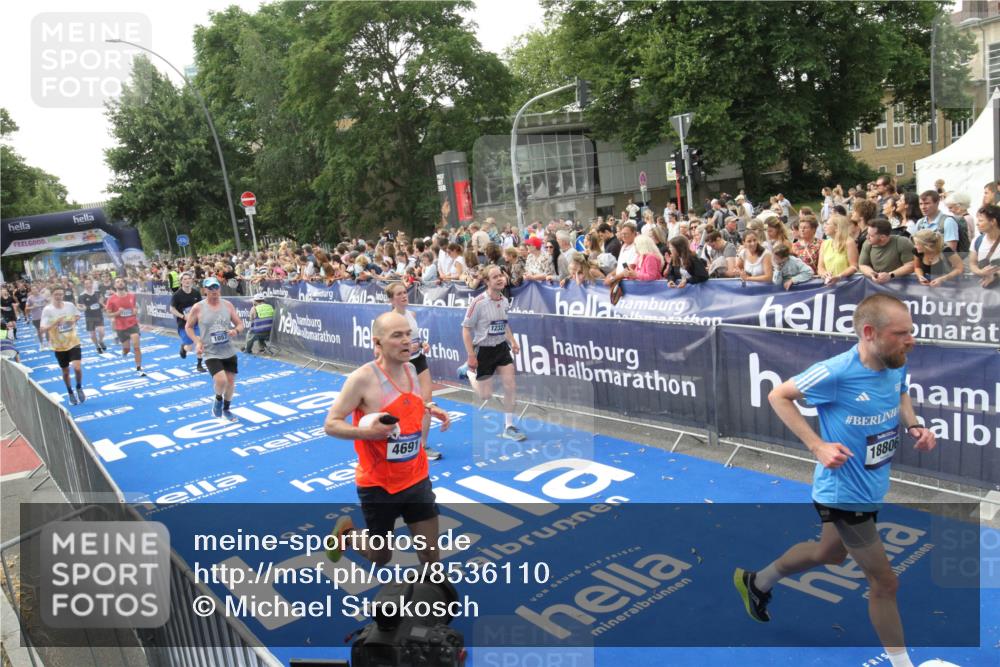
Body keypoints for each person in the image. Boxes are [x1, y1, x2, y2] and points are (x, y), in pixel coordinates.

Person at [735, 294, 936, 667]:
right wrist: (817, 446)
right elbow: (778, 395)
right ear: (869, 332)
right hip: (844, 494)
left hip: (871, 488)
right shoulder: (836, 371)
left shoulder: (895, 361)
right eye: (901, 333)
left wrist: (914, 425)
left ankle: (757, 582)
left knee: (829, 553)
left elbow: (901, 392)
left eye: (911, 331)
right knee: (885, 583)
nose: (911, 340)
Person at [322, 310, 452, 566]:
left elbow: (409, 404)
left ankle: (434, 592)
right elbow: (331, 424)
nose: (406, 341)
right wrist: (368, 433)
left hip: (416, 477)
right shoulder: (362, 379)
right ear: (377, 342)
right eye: (397, 335)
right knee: (380, 556)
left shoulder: (411, 369)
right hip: (378, 485)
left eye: (408, 334)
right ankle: (348, 535)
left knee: (430, 555)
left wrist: (429, 407)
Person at [458, 266, 527, 441]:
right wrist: (471, 356)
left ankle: (509, 426)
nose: (500, 279)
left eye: (501, 275)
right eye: (494, 277)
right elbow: (466, 329)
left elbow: (504, 324)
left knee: (510, 386)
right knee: (485, 395)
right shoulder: (478, 302)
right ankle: (468, 372)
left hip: (501, 348)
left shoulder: (504, 301)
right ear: (487, 282)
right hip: (483, 350)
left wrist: (512, 341)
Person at [386, 282, 442, 461]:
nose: (404, 296)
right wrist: (407, 348)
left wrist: (423, 344)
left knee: (428, 402)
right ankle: (399, 442)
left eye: (405, 292)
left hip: (419, 360)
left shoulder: (412, 314)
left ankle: (423, 446)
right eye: (399, 294)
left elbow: (416, 339)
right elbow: (387, 348)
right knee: (404, 406)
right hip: (402, 365)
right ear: (391, 300)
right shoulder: (389, 321)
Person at [185, 277, 244, 421]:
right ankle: (218, 399)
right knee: (221, 380)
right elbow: (188, 327)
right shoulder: (198, 307)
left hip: (228, 350)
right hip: (210, 351)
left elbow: (240, 324)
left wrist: (235, 331)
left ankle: (226, 409)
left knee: (230, 382)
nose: (214, 291)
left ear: (220, 288)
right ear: (204, 290)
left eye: (216, 287)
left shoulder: (227, 305)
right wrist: (197, 342)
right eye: (210, 288)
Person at [39, 287, 85, 405]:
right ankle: (70, 392)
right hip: (59, 346)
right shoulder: (47, 310)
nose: (59, 296)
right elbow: (42, 329)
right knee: (65, 372)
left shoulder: (69, 305)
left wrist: (72, 320)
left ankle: (79, 387)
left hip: (73, 341)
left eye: (61, 294)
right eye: (56, 294)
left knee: (77, 368)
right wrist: (55, 322)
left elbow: (77, 316)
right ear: (52, 296)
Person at [104, 278, 144, 375]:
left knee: (136, 346)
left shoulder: (132, 296)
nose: (120, 283)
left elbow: (135, 308)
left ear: (124, 284)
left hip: (133, 324)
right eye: (117, 282)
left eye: (121, 281)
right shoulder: (111, 299)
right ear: (114, 286)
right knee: (127, 349)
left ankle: (139, 367)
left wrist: (135, 311)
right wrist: (117, 313)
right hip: (121, 327)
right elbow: (108, 314)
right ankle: (125, 352)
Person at [169, 273, 207, 372]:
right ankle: (184, 348)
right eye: (185, 279)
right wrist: (183, 316)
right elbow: (172, 309)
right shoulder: (177, 295)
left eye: (189, 279)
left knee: (199, 341)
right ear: (181, 281)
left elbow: (200, 306)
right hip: (183, 325)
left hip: (195, 323)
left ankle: (199, 364)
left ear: (192, 280)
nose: (187, 281)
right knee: (189, 347)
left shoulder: (196, 293)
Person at [859, 218, 915, 284]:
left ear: (882, 237)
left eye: (871, 235)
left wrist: (890, 275)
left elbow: (911, 265)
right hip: (876, 285)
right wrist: (872, 274)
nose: (867, 237)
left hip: (901, 284)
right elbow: (863, 265)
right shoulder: (867, 243)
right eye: (867, 233)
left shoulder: (902, 242)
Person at [969, 204, 1000, 288]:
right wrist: (980, 272)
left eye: (980, 220)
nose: (977, 224)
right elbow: (972, 263)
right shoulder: (977, 241)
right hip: (983, 288)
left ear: (993, 221)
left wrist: (995, 275)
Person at [76, 278, 107, 353]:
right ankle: (97, 346)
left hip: (98, 315)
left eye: (89, 283)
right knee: (92, 335)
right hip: (89, 316)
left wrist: (104, 306)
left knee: (101, 332)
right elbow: (79, 305)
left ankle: (101, 341)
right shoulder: (82, 295)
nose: (88, 285)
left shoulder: (97, 292)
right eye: (86, 284)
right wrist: (82, 308)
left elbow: (102, 300)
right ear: (84, 285)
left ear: (92, 284)